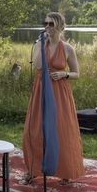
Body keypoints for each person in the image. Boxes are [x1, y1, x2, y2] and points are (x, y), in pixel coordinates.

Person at [22, 12, 85, 182]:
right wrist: (41, 45)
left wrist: (64, 74)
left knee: (61, 129)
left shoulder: (67, 48)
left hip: (59, 92)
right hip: (40, 90)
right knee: (35, 129)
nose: (47, 27)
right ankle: (33, 170)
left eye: (51, 24)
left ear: (60, 27)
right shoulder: (39, 44)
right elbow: (37, 65)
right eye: (46, 23)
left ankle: (65, 171)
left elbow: (76, 73)